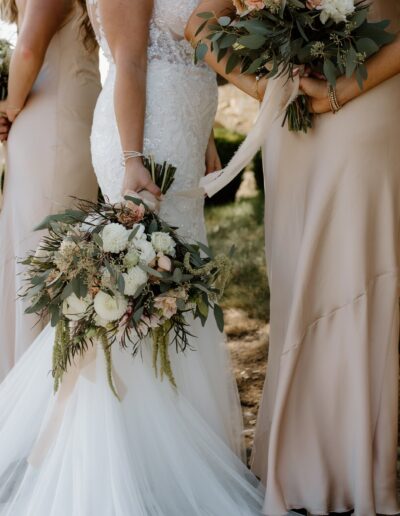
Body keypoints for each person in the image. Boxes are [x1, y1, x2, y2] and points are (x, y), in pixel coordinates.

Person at [0, 1, 264, 513]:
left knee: (171, 289)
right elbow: (131, 60)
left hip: (178, 129)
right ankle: (117, 460)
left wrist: (205, 132)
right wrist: (132, 160)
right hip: (145, 138)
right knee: (140, 292)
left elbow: (187, 43)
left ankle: (177, 453)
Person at [186, 1, 400, 514]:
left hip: (368, 103)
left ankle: (357, 467)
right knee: (301, 276)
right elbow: (197, 21)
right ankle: (321, 466)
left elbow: (198, 23)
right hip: (297, 114)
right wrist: (266, 89)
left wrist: (344, 87)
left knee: (359, 265)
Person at [0, 0, 101, 381]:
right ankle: (36, 393)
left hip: (56, 121)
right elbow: (27, 49)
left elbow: (28, 48)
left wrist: (11, 105)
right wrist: (12, 106)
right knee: (47, 262)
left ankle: (51, 390)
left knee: (52, 260)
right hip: (57, 121)